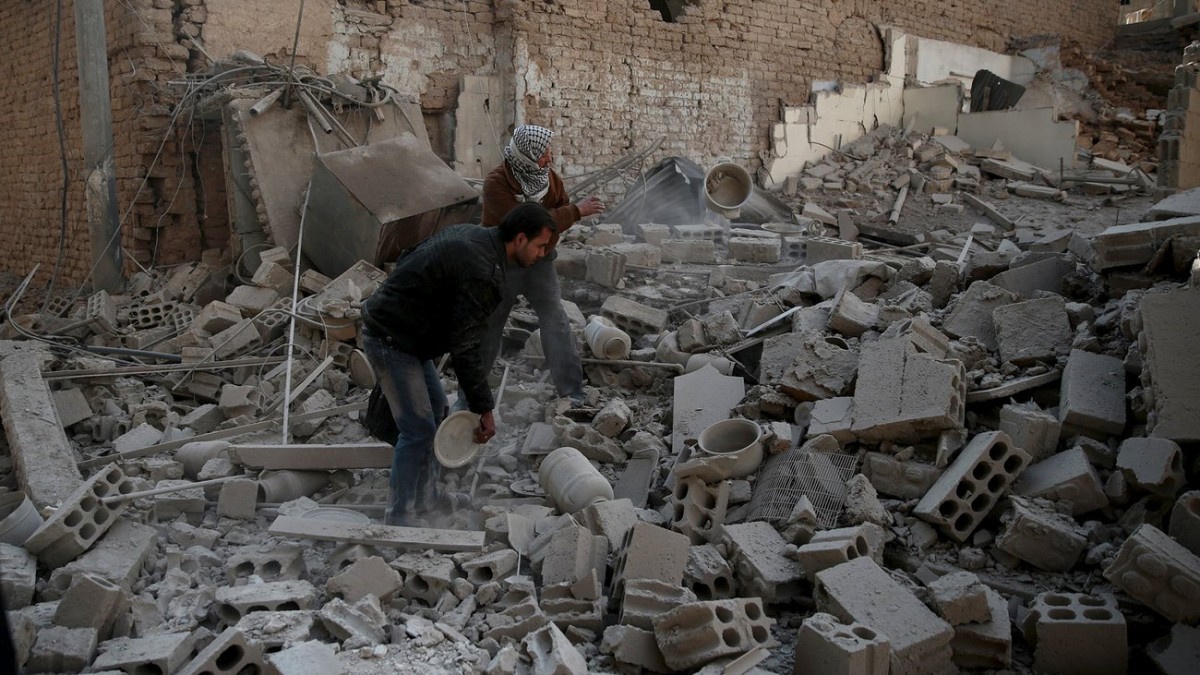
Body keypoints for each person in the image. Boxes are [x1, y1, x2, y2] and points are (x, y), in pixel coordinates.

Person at [360, 203, 557, 525]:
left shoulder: (477, 237)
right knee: (418, 429)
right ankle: (399, 518)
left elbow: (410, 256)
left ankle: (427, 498)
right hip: (390, 339)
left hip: (410, 337)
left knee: (438, 414)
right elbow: (465, 346)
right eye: (540, 245)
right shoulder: (483, 271)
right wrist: (484, 408)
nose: (542, 254)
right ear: (521, 238)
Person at [479, 124, 605, 402]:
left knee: (556, 322)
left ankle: (572, 392)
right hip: (504, 265)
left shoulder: (549, 179)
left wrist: (560, 218)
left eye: (549, 151)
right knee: (491, 325)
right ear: (525, 155)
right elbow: (524, 224)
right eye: (543, 153)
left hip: (540, 263)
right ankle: (472, 395)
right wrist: (573, 212)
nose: (549, 158)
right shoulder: (497, 184)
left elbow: (555, 216)